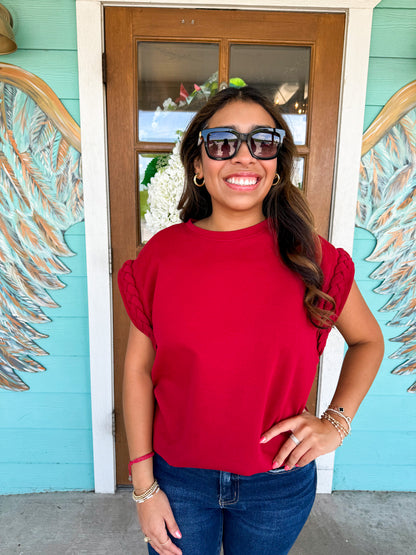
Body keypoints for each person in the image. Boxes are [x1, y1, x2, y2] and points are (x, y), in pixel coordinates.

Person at [118, 86, 384, 555]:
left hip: (276, 486)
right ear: (198, 164)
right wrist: (143, 487)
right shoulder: (160, 256)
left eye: (262, 142)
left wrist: (335, 424)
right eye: (223, 143)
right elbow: (139, 371)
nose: (243, 157)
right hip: (178, 481)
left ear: (277, 163)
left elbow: (368, 341)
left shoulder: (313, 257)